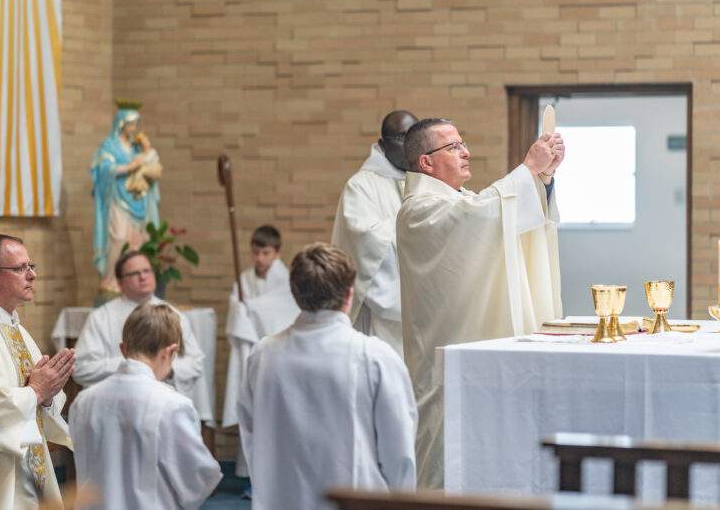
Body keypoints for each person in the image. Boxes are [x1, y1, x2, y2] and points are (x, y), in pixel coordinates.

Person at [396, 118, 564, 489]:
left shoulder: (461, 200)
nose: (466, 152)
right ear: (426, 162)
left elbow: (499, 216)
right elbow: (482, 217)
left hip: (473, 366)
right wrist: (528, 171)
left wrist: (543, 180)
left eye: (463, 142)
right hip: (443, 371)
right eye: (453, 147)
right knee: (446, 464)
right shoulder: (419, 210)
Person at [238, 243, 417, 510]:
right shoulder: (376, 357)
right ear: (349, 295)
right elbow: (399, 454)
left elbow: (252, 438)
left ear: (295, 294)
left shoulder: (262, 355)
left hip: (280, 498)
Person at [0, 234, 75, 510]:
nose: (32, 275)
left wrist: (47, 396)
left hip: (35, 469)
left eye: (31, 266)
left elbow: (41, 398)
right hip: (1, 479)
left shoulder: (17, 328)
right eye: (21, 268)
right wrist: (36, 391)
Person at [70, 303, 222, 510]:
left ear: (123, 349)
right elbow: (198, 476)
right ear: (170, 351)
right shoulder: (174, 405)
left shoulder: (84, 401)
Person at [332, 109, 417, 358]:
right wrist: (417, 229)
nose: (409, 145)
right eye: (401, 138)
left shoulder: (426, 180)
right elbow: (365, 243)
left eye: (413, 137)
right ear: (382, 143)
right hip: (381, 321)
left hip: (423, 318)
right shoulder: (360, 186)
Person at [73, 250, 205, 404]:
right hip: (115, 403)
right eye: (134, 273)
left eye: (147, 271)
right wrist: (133, 365)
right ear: (120, 283)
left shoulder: (174, 315)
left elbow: (195, 363)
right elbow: (81, 368)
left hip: (163, 403)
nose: (143, 277)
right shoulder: (101, 317)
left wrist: (167, 370)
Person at [221, 225, 300, 481]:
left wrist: (251, 307)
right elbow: (236, 311)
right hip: (249, 347)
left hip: (277, 353)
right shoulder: (243, 279)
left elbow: (284, 309)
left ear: (277, 252)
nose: (259, 258)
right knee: (251, 408)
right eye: (255, 253)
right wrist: (243, 309)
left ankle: (276, 475)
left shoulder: (287, 280)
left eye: (265, 253)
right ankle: (250, 474)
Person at [91, 104, 161, 294]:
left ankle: (132, 284)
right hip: (116, 197)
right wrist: (130, 167)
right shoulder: (110, 145)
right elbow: (104, 170)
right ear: (121, 124)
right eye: (130, 124)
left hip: (136, 198)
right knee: (119, 238)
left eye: (135, 124)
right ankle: (111, 280)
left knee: (136, 241)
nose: (133, 128)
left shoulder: (136, 147)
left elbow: (150, 163)